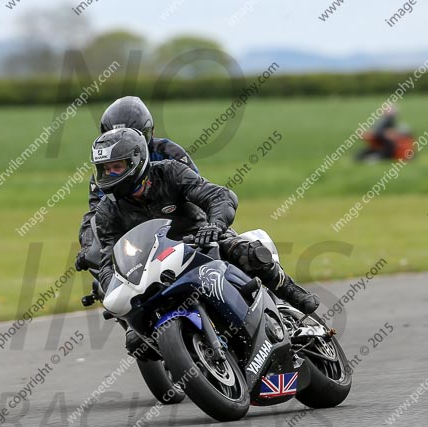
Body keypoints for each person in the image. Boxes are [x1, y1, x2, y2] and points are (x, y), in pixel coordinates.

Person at [90, 128, 320, 358]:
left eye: (116, 167)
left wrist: (215, 226)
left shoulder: (171, 172)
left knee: (246, 253)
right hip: (157, 265)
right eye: (105, 169)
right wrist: (113, 286)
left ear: (136, 161)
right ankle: (190, 360)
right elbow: (109, 259)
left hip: (203, 240)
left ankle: (290, 292)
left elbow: (219, 196)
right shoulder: (107, 211)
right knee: (136, 342)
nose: (110, 174)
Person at [75, 96, 198, 272]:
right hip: (134, 237)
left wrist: (209, 227)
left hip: (180, 228)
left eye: (134, 135)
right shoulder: (104, 172)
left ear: (149, 133)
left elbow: (197, 192)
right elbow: (95, 214)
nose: (125, 142)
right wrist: (88, 247)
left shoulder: (170, 154)